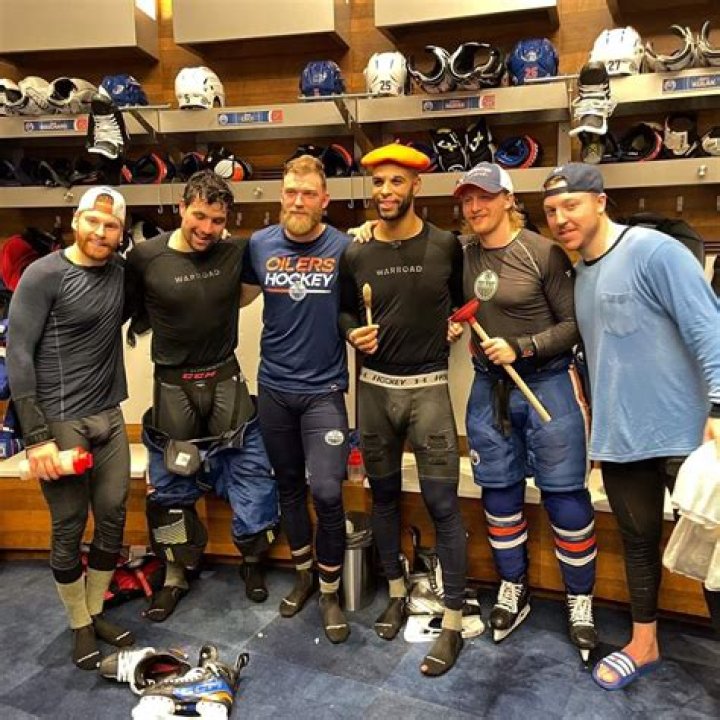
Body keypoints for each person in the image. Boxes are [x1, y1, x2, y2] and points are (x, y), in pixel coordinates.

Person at [542, 162, 720, 690]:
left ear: (600, 201)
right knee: (638, 545)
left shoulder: (654, 251)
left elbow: (709, 329)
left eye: (571, 205)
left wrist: (718, 409)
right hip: (622, 438)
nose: (560, 218)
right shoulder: (579, 276)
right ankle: (644, 644)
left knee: (714, 554)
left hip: (688, 436)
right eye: (550, 211)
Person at [454, 162, 597, 661]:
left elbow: (574, 325)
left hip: (549, 384)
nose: (475, 207)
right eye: (467, 199)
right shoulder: (461, 252)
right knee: (498, 492)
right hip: (489, 389)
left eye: (484, 197)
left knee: (565, 496)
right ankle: (513, 587)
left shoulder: (543, 252)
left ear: (509, 200)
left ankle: (580, 598)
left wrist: (524, 346)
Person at [124, 170, 279, 622]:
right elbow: (118, 308)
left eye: (217, 220)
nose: (206, 228)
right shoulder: (145, 257)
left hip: (225, 377)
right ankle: (175, 576)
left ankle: (253, 562)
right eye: (198, 216)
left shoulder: (236, 252)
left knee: (252, 473)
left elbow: (287, 247)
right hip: (173, 384)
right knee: (170, 484)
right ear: (181, 208)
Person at [339, 143, 467, 676]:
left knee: (442, 503)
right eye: (378, 183)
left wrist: (456, 324)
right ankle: (395, 592)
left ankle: (453, 622)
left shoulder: (446, 245)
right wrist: (354, 333)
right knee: (384, 498)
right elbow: (344, 311)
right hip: (374, 391)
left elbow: (462, 301)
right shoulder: (356, 251)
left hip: (429, 389)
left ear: (417, 186)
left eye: (396, 182)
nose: (385, 192)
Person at [7, 186, 134, 669]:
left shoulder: (121, 274)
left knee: (114, 515)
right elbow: (19, 354)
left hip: (110, 415)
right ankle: (79, 624)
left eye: (111, 225)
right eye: (92, 221)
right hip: (60, 421)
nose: (101, 232)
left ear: (121, 233)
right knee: (68, 524)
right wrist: (36, 437)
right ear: (76, 221)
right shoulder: (43, 275)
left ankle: (96, 610)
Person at [240, 154, 351, 643]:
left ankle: (330, 590)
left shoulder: (345, 247)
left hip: (323, 391)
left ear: (324, 200)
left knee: (326, 491)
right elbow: (237, 295)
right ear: (281, 195)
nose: (298, 201)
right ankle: (304, 576)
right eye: (291, 192)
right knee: (287, 485)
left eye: (308, 193)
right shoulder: (259, 244)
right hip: (274, 389)